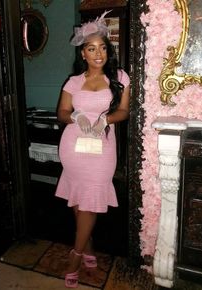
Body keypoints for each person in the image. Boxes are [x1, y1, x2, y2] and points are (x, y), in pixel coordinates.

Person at [55, 11, 130, 288]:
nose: (98, 53)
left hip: (102, 148)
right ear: (83, 54)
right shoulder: (73, 81)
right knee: (78, 202)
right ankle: (89, 250)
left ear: (107, 51)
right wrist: (76, 116)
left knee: (90, 200)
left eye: (102, 48)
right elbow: (62, 112)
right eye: (91, 48)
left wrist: (104, 119)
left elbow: (123, 111)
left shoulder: (120, 77)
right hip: (73, 148)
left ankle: (75, 256)